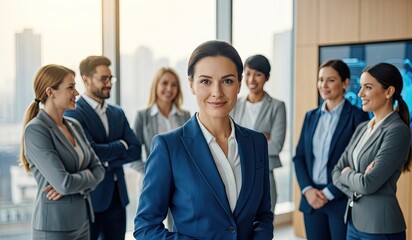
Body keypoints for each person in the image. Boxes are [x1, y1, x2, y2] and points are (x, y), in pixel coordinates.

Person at [134, 40, 274, 239]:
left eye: (227, 81)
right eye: (206, 81)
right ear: (191, 85)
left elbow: (263, 215)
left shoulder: (256, 143)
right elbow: (145, 227)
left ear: (239, 84)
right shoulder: (169, 147)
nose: (217, 92)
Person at [20, 64, 105, 239]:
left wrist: (74, 181)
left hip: (83, 221)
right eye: (71, 87)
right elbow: (63, 183)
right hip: (54, 227)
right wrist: (86, 176)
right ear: (51, 92)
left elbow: (99, 170)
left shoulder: (74, 125)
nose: (77, 93)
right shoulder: (36, 130)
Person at [332, 62, 412, 240]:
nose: (360, 94)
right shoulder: (362, 128)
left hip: (379, 227)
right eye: (360, 87)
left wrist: (347, 173)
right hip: (353, 221)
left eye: (367, 87)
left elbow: (368, 183)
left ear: (389, 92)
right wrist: (356, 181)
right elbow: (336, 171)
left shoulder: (397, 130)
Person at [64, 56, 141, 240]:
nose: (108, 84)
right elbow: (90, 152)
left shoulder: (117, 112)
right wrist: (121, 145)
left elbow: (136, 150)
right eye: (103, 79)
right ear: (86, 79)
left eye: (110, 78)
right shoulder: (73, 113)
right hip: (92, 199)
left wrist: (105, 159)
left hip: (119, 199)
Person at [293, 59, 369, 240]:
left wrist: (329, 193)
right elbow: (299, 157)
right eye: (320, 80)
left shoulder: (358, 117)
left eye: (330, 80)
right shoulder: (310, 116)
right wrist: (307, 190)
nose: (323, 85)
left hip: (340, 198)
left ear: (345, 83)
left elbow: (357, 163)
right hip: (311, 200)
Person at [130, 67, 191, 230]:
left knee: (179, 226)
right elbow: (131, 156)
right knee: (148, 227)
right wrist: (153, 171)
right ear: (156, 85)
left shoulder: (185, 116)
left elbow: (190, 151)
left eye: (174, 85)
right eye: (164, 83)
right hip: (151, 180)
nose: (169, 89)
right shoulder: (142, 116)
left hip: (180, 182)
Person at [230, 54, 286, 214]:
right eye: (248, 73)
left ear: (267, 77)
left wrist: (243, 142)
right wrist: (260, 139)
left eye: (258, 74)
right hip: (236, 174)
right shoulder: (235, 104)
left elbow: (276, 146)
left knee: (263, 226)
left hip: (264, 175)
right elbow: (227, 140)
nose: (252, 79)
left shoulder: (277, 106)